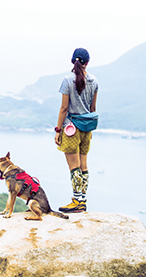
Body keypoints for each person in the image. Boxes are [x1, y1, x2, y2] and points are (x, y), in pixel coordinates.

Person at [54, 47, 98, 213]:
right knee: (84, 166)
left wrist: (58, 130)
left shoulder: (67, 81)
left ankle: (76, 201)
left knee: (74, 167)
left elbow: (64, 108)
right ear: (87, 62)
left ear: (73, 61)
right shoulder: (94, 81)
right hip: (87, 128)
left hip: (71, 128)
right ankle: (83, 200)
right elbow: (93, 108)